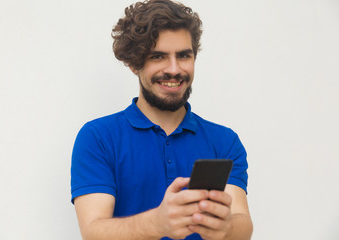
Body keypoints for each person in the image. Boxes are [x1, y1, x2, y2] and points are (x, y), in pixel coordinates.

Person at [71, 0, 253, 239]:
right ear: (134, 64)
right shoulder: (98, 137)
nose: (175, 69)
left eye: (184, 55)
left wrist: (225, 227)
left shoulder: (224, 141)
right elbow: (93, 232)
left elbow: (243, 225)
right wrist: (157, 223)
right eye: (158, 56)